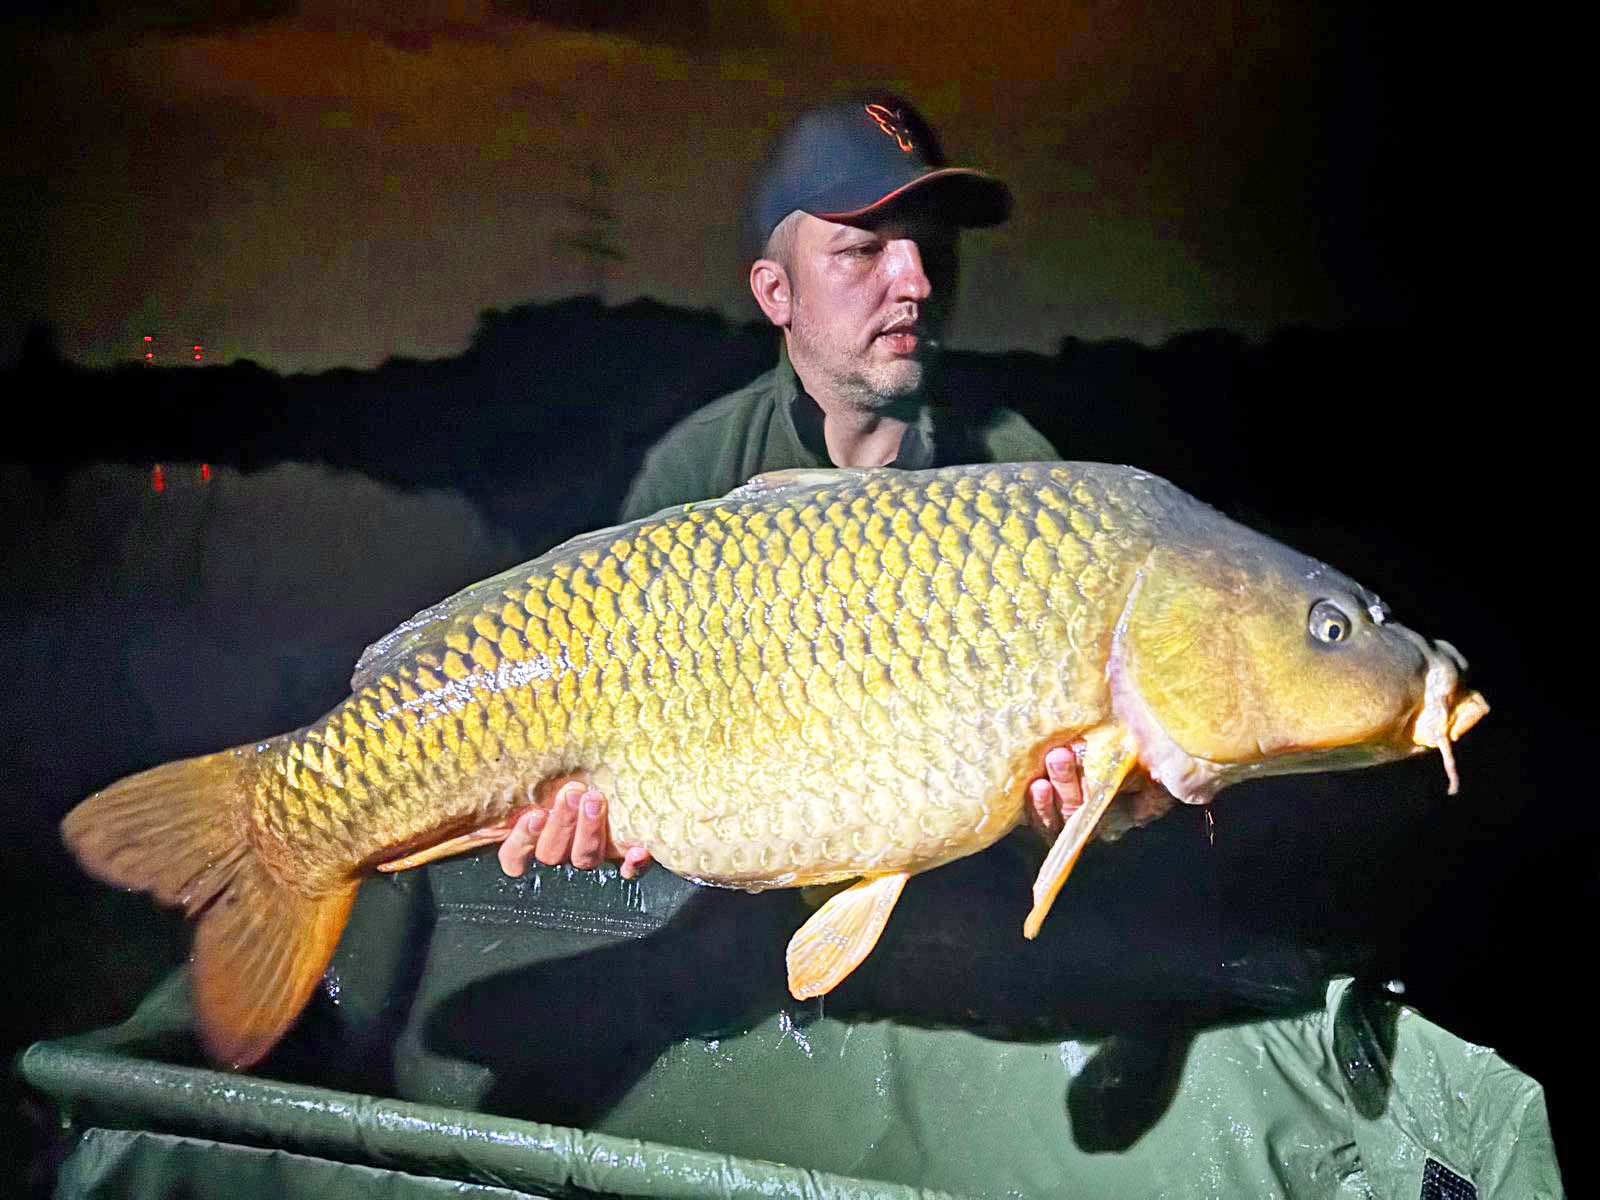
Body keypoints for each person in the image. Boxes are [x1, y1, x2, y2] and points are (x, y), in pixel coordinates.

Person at [494, 96, 1088, 883]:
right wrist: (595, 823)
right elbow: (621, 769)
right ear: (776, 293)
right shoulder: (694, 474)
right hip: (745, 899)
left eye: (932, 248)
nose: (914, 281)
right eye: (863, 250)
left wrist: (1072, 814)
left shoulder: (1022, 478)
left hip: (950, 903)